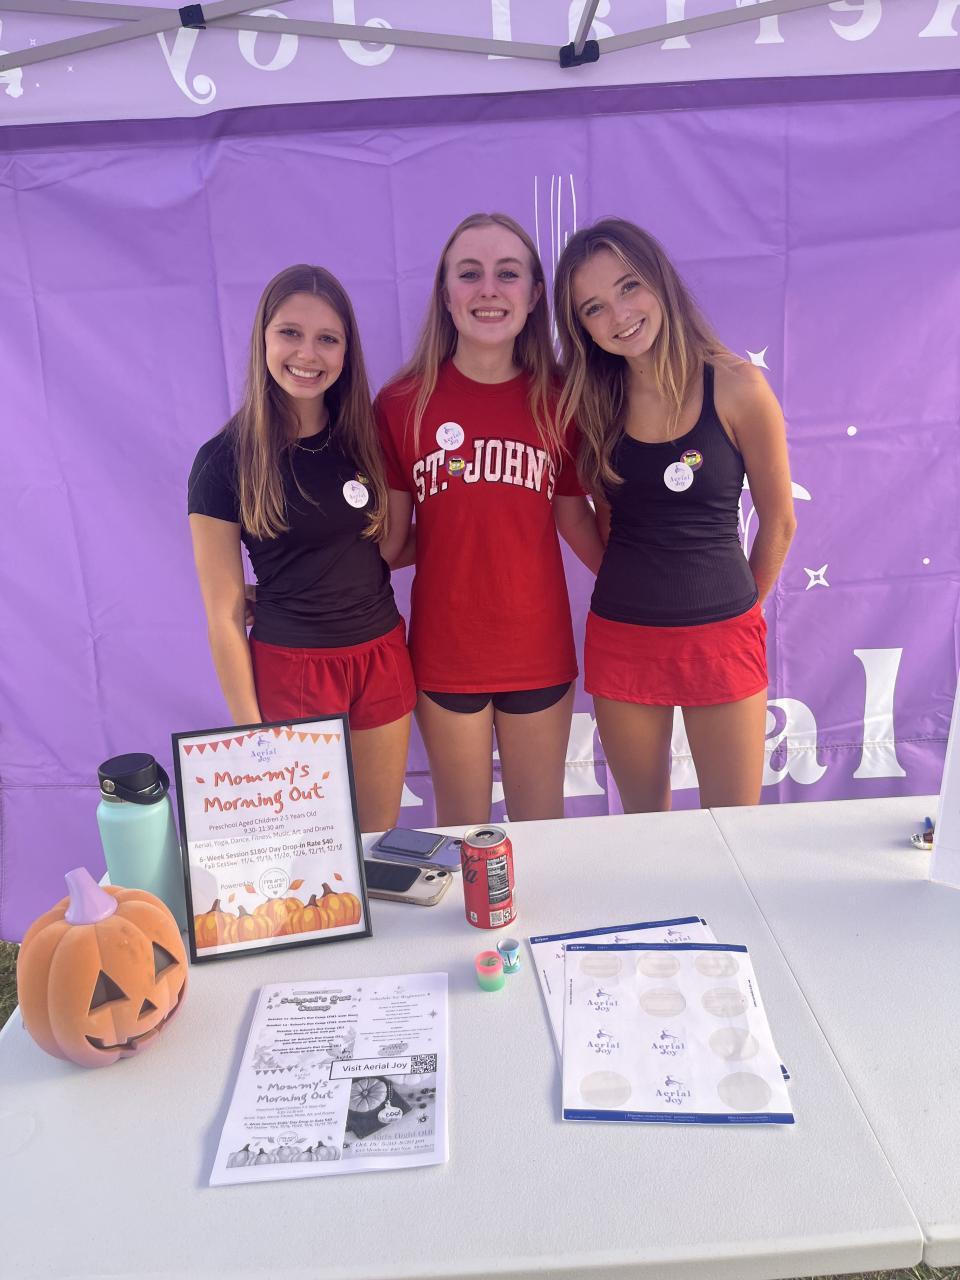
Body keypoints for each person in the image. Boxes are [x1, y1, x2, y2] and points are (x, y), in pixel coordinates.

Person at [553, 218, 797, 812]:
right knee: (646, 830)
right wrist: (632, 573)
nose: (619, 315)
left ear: (659, 280)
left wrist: (737, 610)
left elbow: (779, 521)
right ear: (581, 327)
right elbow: (583, 514)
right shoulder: (590, 403)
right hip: (623, 637)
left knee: (734, 829)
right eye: (593, 308)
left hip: (722, 636)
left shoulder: (738, 386)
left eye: (628, 287)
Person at [376, 213, 602, 826]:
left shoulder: (563, 398)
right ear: (445, 293)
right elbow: (392, 543)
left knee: (541, 830)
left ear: (534, 295)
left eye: (507, 274)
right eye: (469, 273)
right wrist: (296, 588)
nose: (488, 290)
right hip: (445, 653)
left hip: (538, 648)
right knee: (461, 833)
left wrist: (638, 585)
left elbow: (575, 519)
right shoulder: (401, 404)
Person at [187, 264, 416, 831]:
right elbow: (222, 616)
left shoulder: (367, 438)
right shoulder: (223, 461)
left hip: (382, 656)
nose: (307, 354)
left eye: (327, 339)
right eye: (290, 332)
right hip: (292, 673)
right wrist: (250, 732)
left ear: (346, 352)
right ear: (263, 338)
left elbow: (387, 547)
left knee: (376, 840)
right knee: (310, 853)